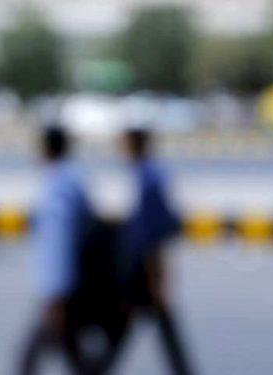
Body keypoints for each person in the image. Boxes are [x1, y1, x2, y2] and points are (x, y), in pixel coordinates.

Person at [116, 127, 194, 375]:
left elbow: (152, 233)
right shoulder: (150, 173)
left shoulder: (147, 179)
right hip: (144, 267)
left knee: (127, 326)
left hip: (143, 269)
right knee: (157, 328)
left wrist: (157, 279)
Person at [18, 126, 92, 375]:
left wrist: (55, 292)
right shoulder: (70, 177)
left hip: (62, 288)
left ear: (47, 148)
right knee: (70, 352)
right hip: (70, 284)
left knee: (31, 357)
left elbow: (57, 243)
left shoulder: (58, 187)